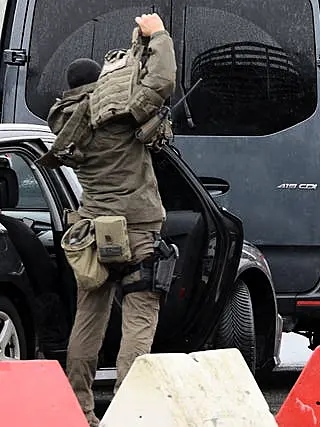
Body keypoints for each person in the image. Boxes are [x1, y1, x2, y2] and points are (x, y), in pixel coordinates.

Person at [43, 13, 177, 427]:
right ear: (98, 83)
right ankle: (126, 409)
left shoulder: (65, 122)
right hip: (138, 229)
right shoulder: (117, 114)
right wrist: (158, 36)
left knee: (89, 319)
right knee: (139, 319)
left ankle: (80, 409)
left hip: (92, 231)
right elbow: (160, 82)